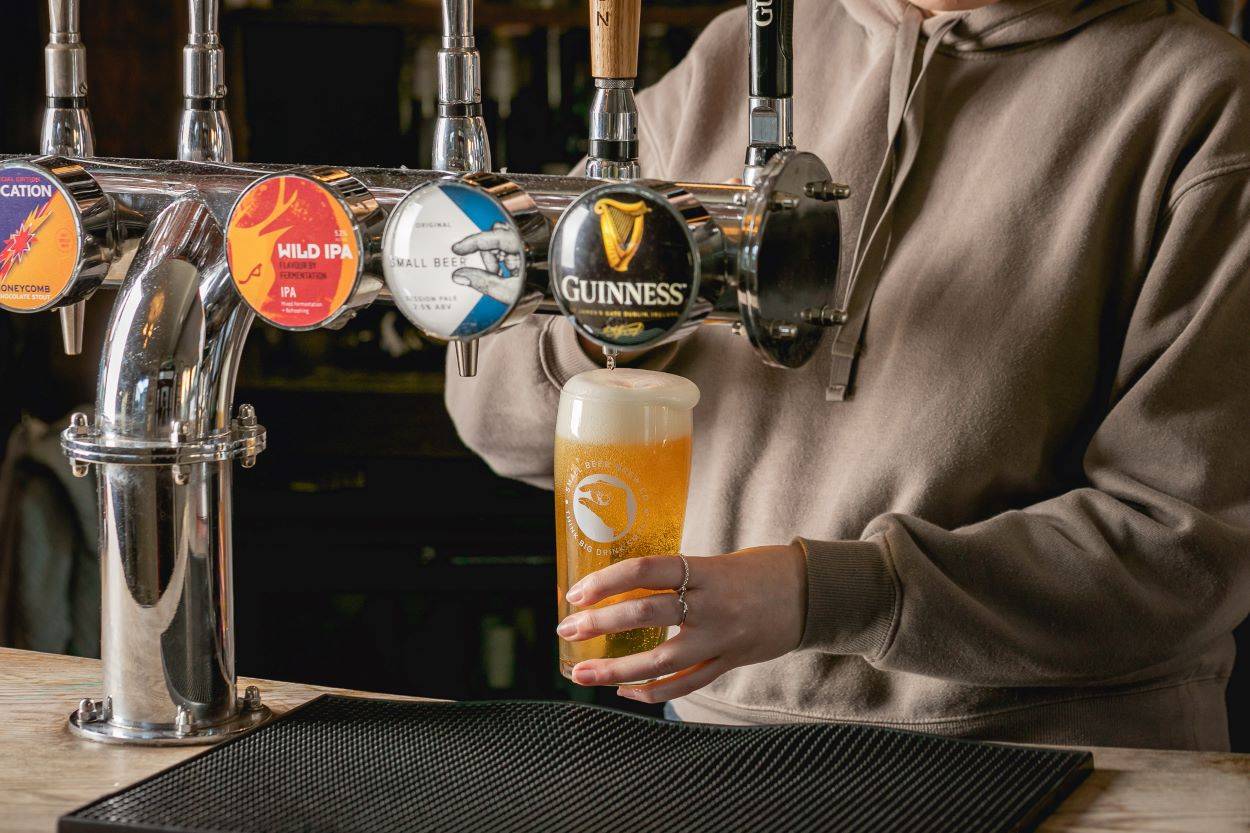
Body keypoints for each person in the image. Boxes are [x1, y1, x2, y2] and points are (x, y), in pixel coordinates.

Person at [446, 0, 1250, 750]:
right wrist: (615, 323)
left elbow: (1186, 552)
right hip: (716, 744)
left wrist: (823, 593)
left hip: (1060, 755)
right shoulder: (736, 55)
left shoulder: (1202, 100)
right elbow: (497, 422)